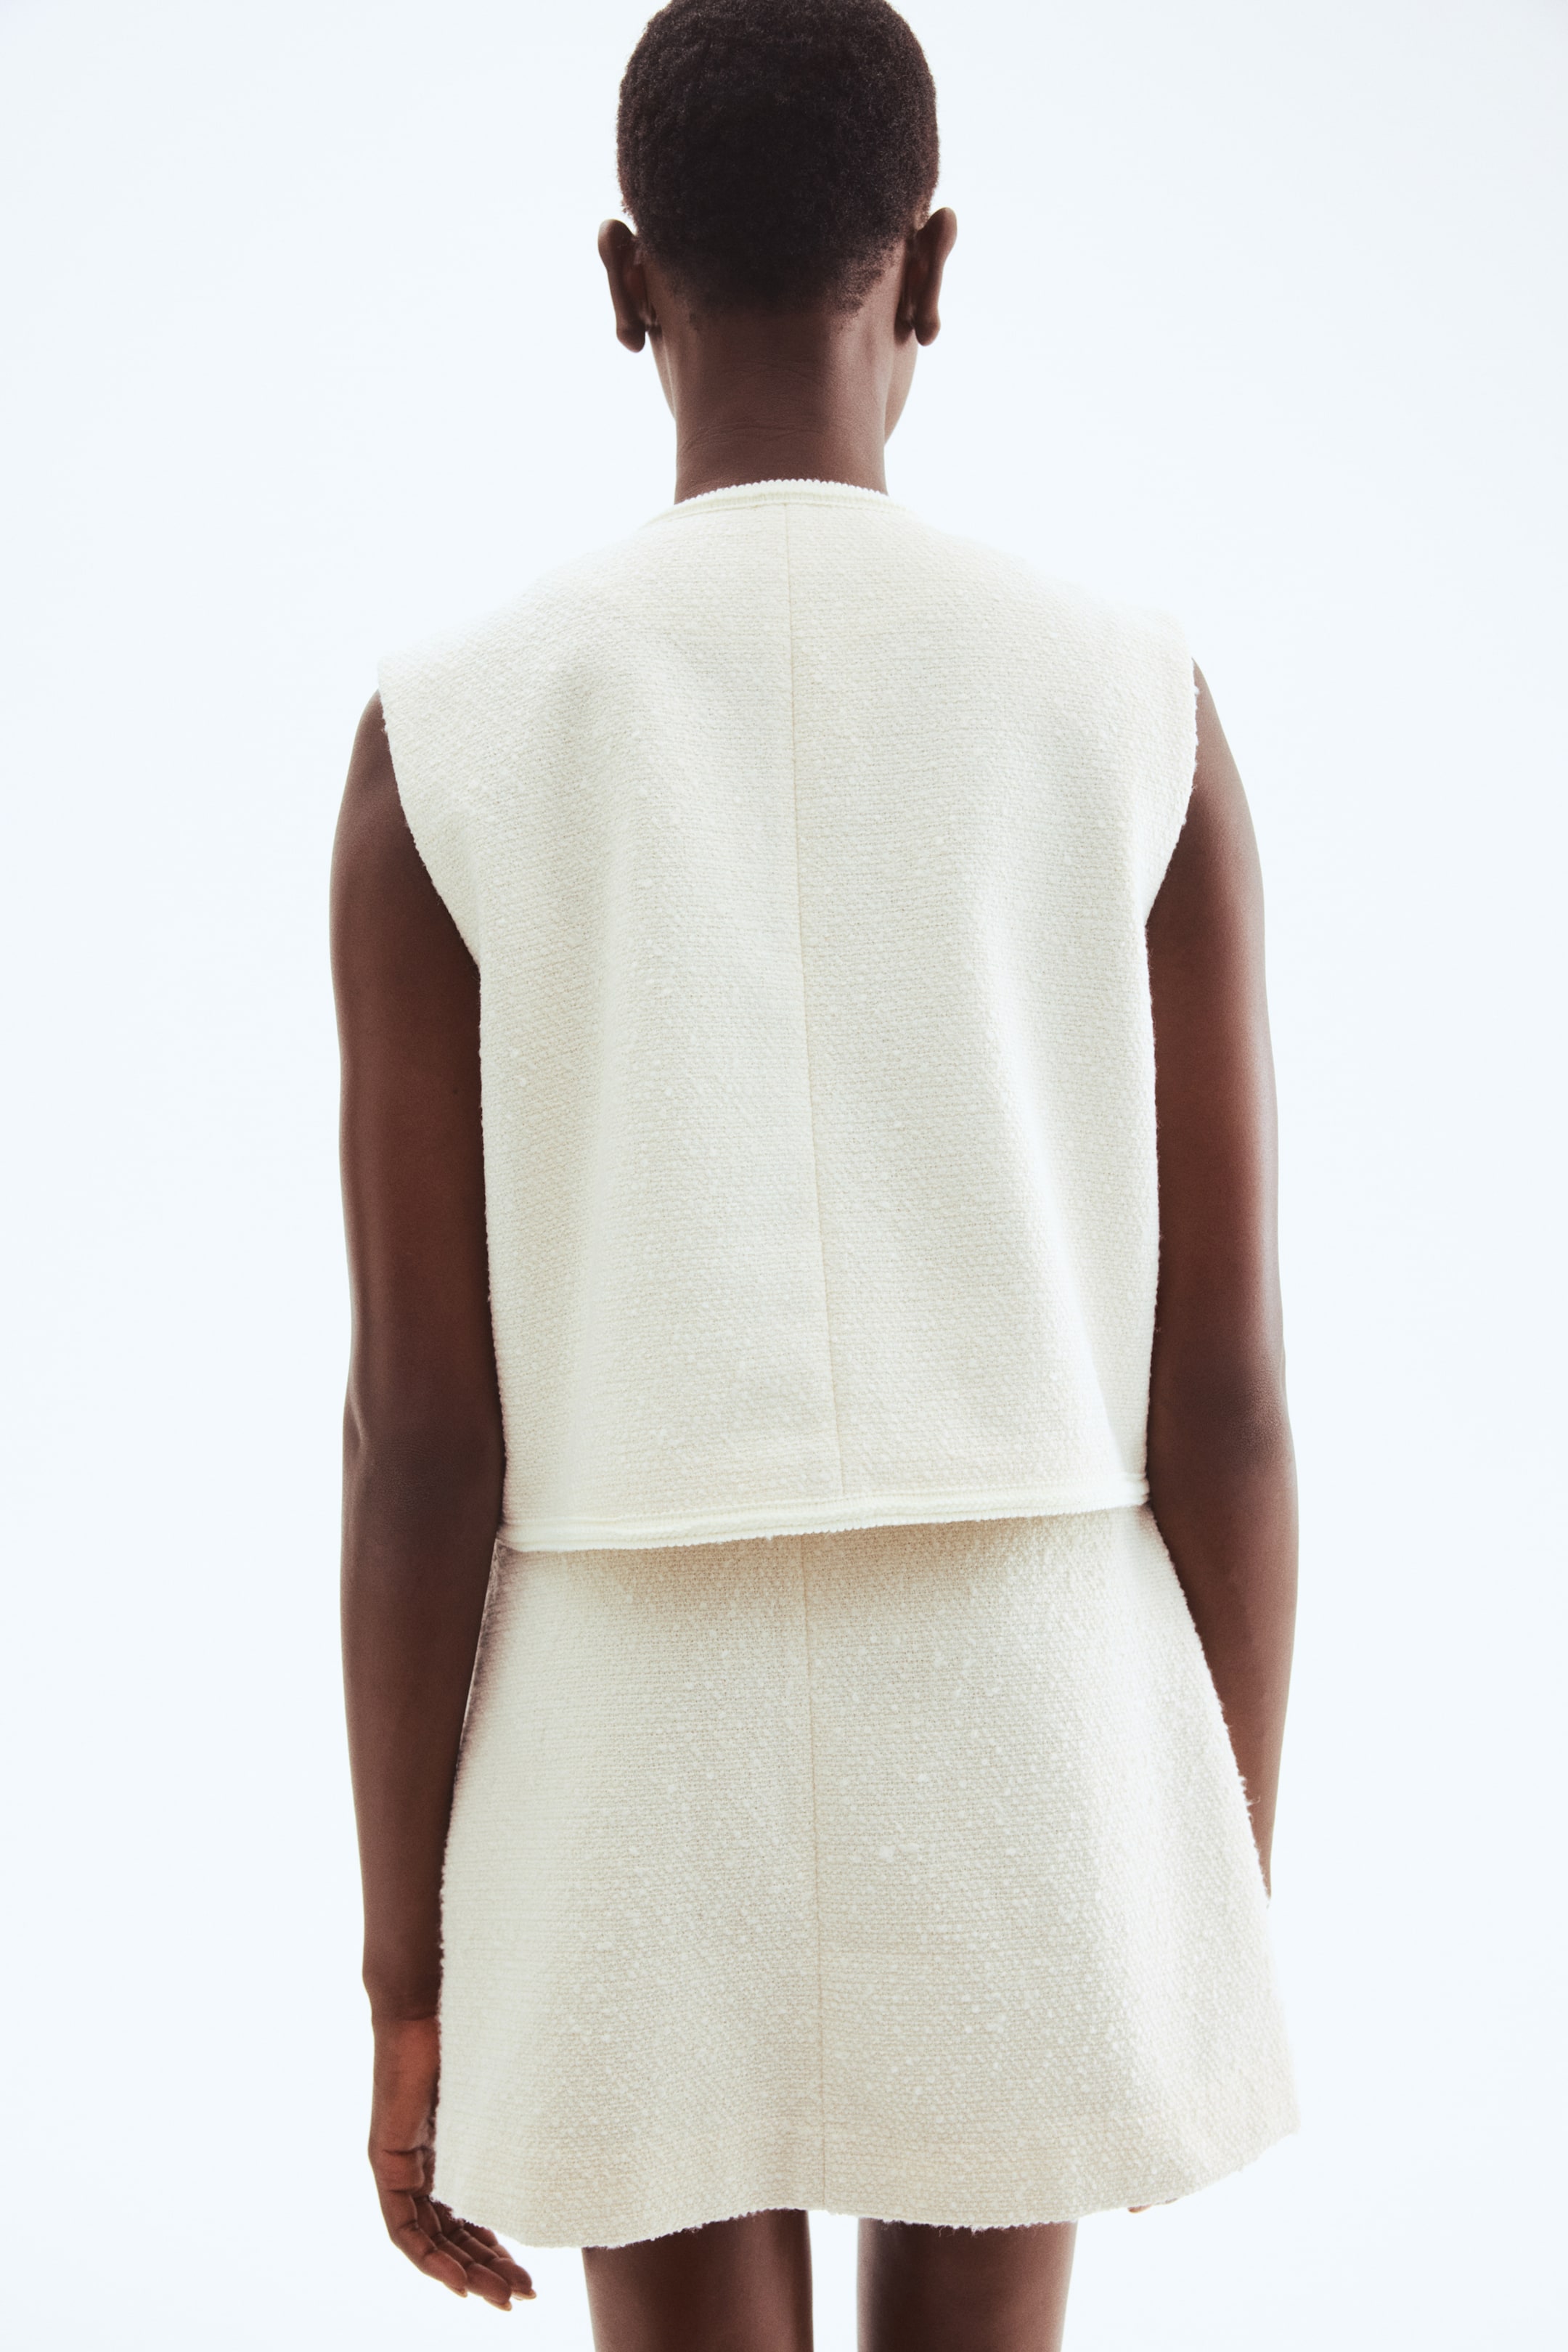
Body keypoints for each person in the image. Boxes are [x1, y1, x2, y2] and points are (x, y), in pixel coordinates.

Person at [329, 3, 1298, 2344]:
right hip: (1023, 1689)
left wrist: (405, 1982)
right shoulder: (1129, 703)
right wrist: (1204, 1884)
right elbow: (1228, 1399)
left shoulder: (450, 735)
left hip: (623, 1719)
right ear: (932, 266)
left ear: (623, 279)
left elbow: (423, 1435)